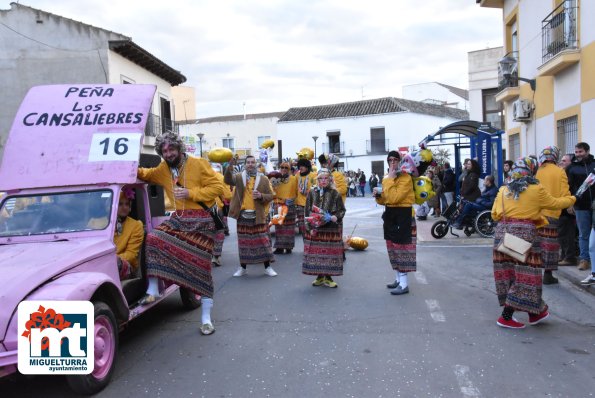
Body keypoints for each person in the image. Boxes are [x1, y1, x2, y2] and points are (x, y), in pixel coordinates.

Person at [137, 131, 225, 336]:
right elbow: (145, 174)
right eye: (164, 150)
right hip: (179, 218)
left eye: (171, 149)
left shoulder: (198, 164)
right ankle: (152, 290)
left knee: (201, 268)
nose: (168, 153)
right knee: (153, 238)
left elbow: (218, 187)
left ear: (179, 148)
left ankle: (206, 319)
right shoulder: (162, 169)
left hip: (202, 220)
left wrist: (190, 193)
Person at [491, 157, 575, 329]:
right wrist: (572, 199)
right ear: (531, 169)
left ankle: (536, 312)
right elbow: (555, 203)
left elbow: (494, 214)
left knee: (510, 275)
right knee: (526, 277)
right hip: (525, 237)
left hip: (502, 235)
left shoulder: (503, 189)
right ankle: (506, 317)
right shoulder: (536, 189)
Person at [225, 155, 277, 277]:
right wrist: (229, 166)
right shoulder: (239, 177)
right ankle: (243, 268)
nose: (250, 164)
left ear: (256, 164)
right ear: (245, 164)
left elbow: (271, 196)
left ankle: (267, 267)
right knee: (244, 244)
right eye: (248, 162)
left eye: (252, 162)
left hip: (258, 215)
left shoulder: (263, 179)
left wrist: (260, 196)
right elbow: (227, 180)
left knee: (263, 242)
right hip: (243, 215)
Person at [374, 150, 416, 295]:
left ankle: (404, 284)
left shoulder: (405, 178)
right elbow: (386, 200)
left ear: (400, 161)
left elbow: (394, 198)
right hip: (391, 214)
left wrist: (389, 180)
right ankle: (398, 279)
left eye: (395, 160)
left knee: (401, 248)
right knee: (391, 247)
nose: (392, 162)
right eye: (390, 160)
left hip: (403, 214)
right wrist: (378, 197)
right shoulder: (388, 178)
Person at [302, 168, 346, 288]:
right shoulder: (312, 192)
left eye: (326, 178)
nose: (323, 180)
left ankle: (329, 277)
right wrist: (308, 227)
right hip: (316, 229)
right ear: (317, 179)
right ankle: (320, 277)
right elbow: (307, 211)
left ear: (330, 179)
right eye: (321, 178)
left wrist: (336, 217)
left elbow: (342, 210)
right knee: (317, 254)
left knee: (330, 254)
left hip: (331, 230)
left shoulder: (335, 193)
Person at [535, 146, 571, 285]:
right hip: (552, 213)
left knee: (537, 244)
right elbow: (564, 193)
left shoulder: (537, 171)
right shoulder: (560, 171)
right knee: (549, 244)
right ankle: (548, 274)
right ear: (555, 156)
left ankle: (534, 273)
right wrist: (569, 203)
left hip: (536, 213)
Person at [566, 142, 595, 271]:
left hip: (594, 205)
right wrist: (570, 203)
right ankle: (584, 260)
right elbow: (568, 188)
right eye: (576, 152)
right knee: (584, 234)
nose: (578, 154)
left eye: (580, 152)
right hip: (580, 206)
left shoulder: (594, 165)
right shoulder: (571, 168)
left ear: (587, 151)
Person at [114, 186, 144, 280]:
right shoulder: (97, 222)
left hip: (125, 265)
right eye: (120, 204)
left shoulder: (136, 225)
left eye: (127, 204)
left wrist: (111, 260)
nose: (125, 207)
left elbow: (131, 255)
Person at [272, 161, 298, 254]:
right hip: (278, 205)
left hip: (290, 206)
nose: (283, 169)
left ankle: (288, 247)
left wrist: (293, 200)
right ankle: (279, 247)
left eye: (286, 168)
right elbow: (272, 192)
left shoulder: (294, 179)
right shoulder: (276, 179)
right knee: (279, 226)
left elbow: (297, 192)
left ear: (289, 169)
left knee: (289, 227)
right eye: (282, 167)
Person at [557, 153, 577, 265]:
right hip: (561, 206)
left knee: (567, 233)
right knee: (561, 232)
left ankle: (569, 257)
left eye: (564, 160)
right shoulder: (563, 172)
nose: (561, 162)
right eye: (561, 160)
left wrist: (571, 204)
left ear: (570, 162)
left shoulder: (571, 173)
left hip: (568, 207)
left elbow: (572, 190)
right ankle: (564, 255)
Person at [211, 164, 232, 267]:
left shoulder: (199, 176)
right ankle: (216, 255)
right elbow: (227, 195)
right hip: (216, 207)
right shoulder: (220, 177)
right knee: (219, 231)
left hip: (200, 208)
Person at [295, 158, 316, 235]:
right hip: (300, 205)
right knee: (302, 227)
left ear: (307, 167)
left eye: (303, 166)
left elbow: (316, 189)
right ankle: (306, 245)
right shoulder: (297, 176)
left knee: (311, 226)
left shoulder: (313, 175)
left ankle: (311, 244)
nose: (301, 167)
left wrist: (308, 191)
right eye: (300, 166)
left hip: (310, 205)